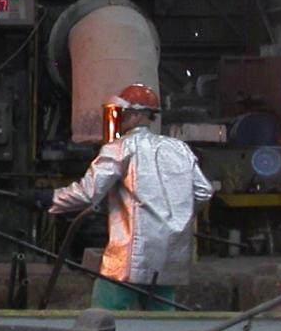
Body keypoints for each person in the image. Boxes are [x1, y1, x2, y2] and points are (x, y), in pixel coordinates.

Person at [22, 84, 214, 310]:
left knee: (103, 316)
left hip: (131, 257)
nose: (120, 119)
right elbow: (204, 191)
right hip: (170, 254)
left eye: (123, 114)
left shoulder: (120, 148)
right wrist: (175, 214)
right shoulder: (179, 148)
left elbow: (88, 193)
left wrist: (48, 198)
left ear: (136, 115)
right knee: (163, 322)